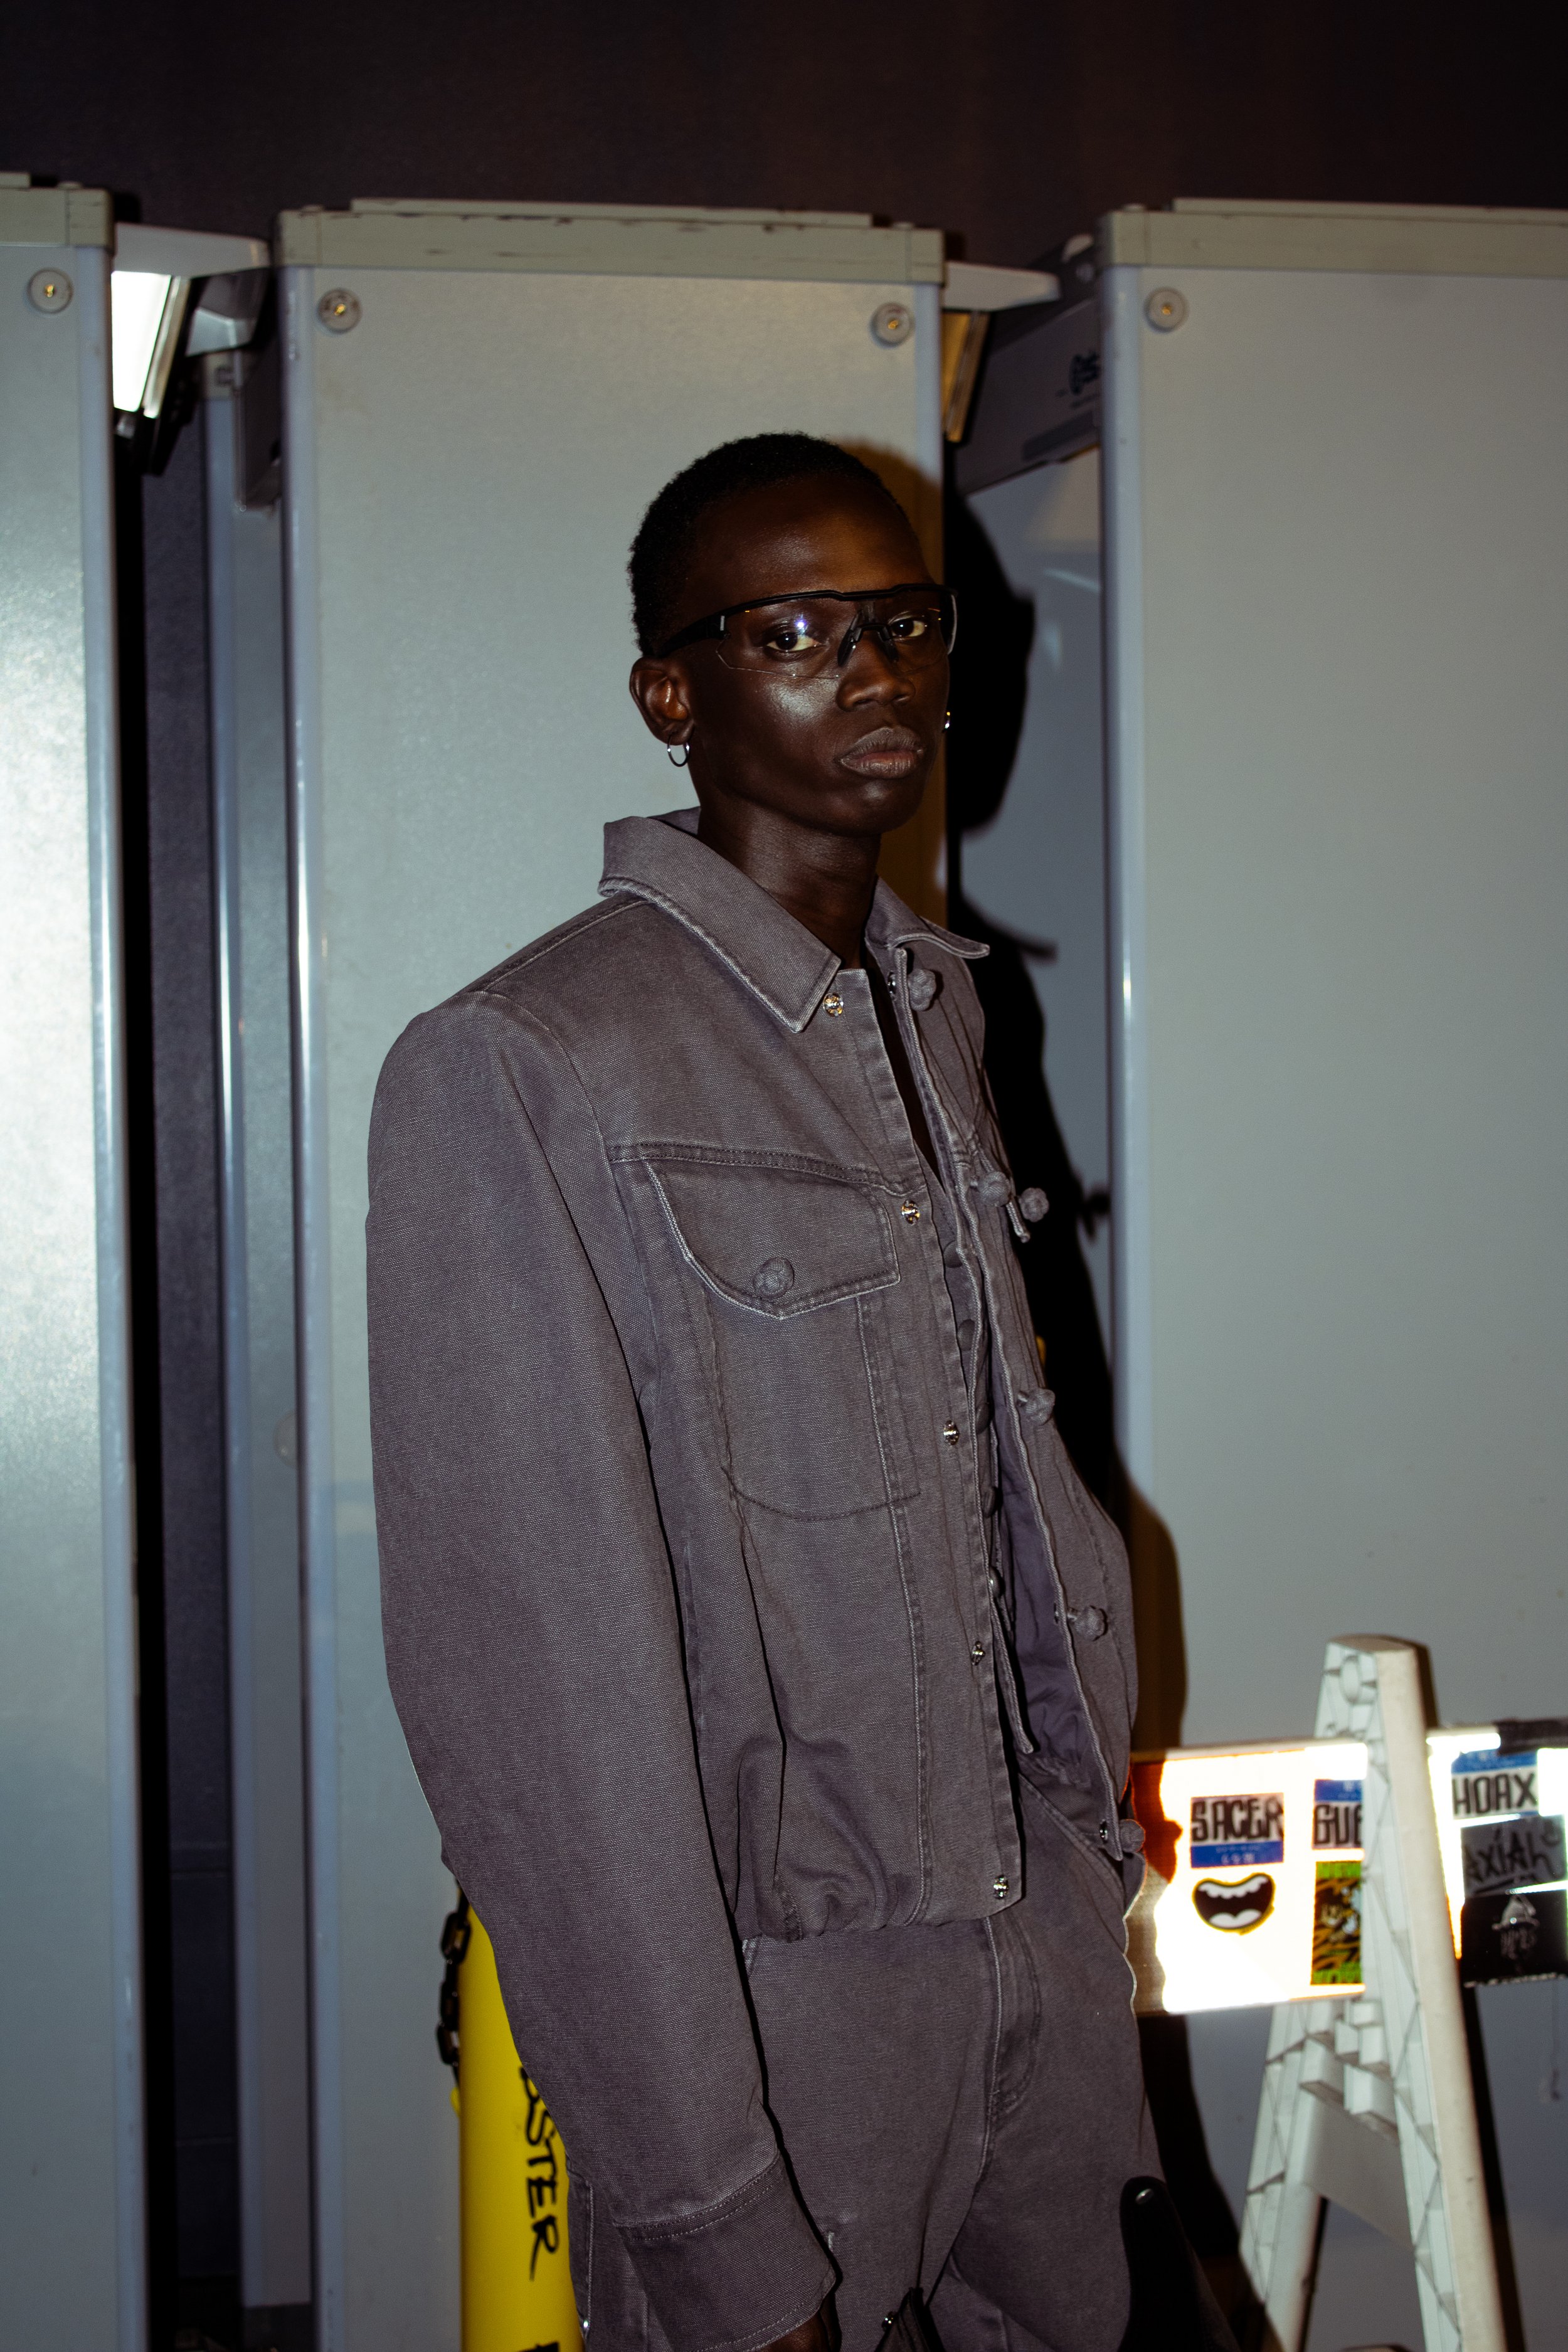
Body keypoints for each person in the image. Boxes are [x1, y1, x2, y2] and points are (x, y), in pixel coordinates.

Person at [367, 433, 1156, 2352]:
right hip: (784, 2030)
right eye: (794, 627)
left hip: (1034, 1985)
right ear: (672, 691)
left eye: (902, 621)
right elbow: (536, 1695)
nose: (872, 669)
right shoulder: (532, 1061)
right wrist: (708, 2211)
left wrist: (1081, 1875)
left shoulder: (941, 1006)